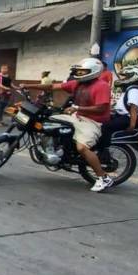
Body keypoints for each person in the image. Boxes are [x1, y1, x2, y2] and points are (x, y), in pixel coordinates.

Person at [50, 57, 115, 193]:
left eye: (82, 72)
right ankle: (59, 150)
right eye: (78, 71)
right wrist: (26, 86)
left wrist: (77, 108)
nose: (79, 74)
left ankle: (103, 177)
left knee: (82, 148)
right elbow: (53, 87)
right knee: (50, 122)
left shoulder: (101, 86)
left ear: (93, 71)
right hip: (77, 117)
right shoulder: (78, 84)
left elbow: (101, 108)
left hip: (93, 121)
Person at [103, 65, 138, 138]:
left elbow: (134, 108)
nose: (122, 78)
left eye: (126, 76)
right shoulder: (130, 89)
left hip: (127, 118)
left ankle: (105, 147)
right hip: (122, 116)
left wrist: (132, 125)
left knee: (105, 127)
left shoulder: (134, 91)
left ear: (134, 77)